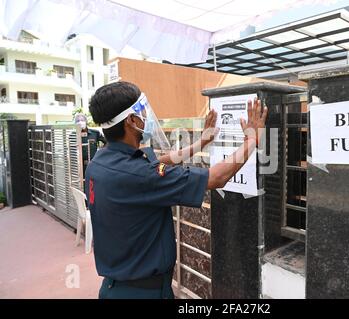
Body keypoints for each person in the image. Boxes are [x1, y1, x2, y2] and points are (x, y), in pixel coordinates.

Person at [85, 81, 267, 299]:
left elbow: (158, 163)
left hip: (114, 288)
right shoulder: (140, 176)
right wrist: (252, 139)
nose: (147, 117)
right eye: (143, 112)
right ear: (131, 120)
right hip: (144, 293)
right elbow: (217, 177)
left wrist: (201, 143)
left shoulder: (99, 163)